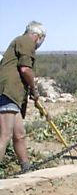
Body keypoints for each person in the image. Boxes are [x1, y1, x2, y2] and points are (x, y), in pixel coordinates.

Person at [0, 21, 47, 171]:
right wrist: (34, 88)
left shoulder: (19, 41)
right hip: (8, 92)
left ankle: (26, 167)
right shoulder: (27, 41)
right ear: (38, 36)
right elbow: (25, 69)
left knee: (19, 134)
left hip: (14, 96)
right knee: (5, 135)